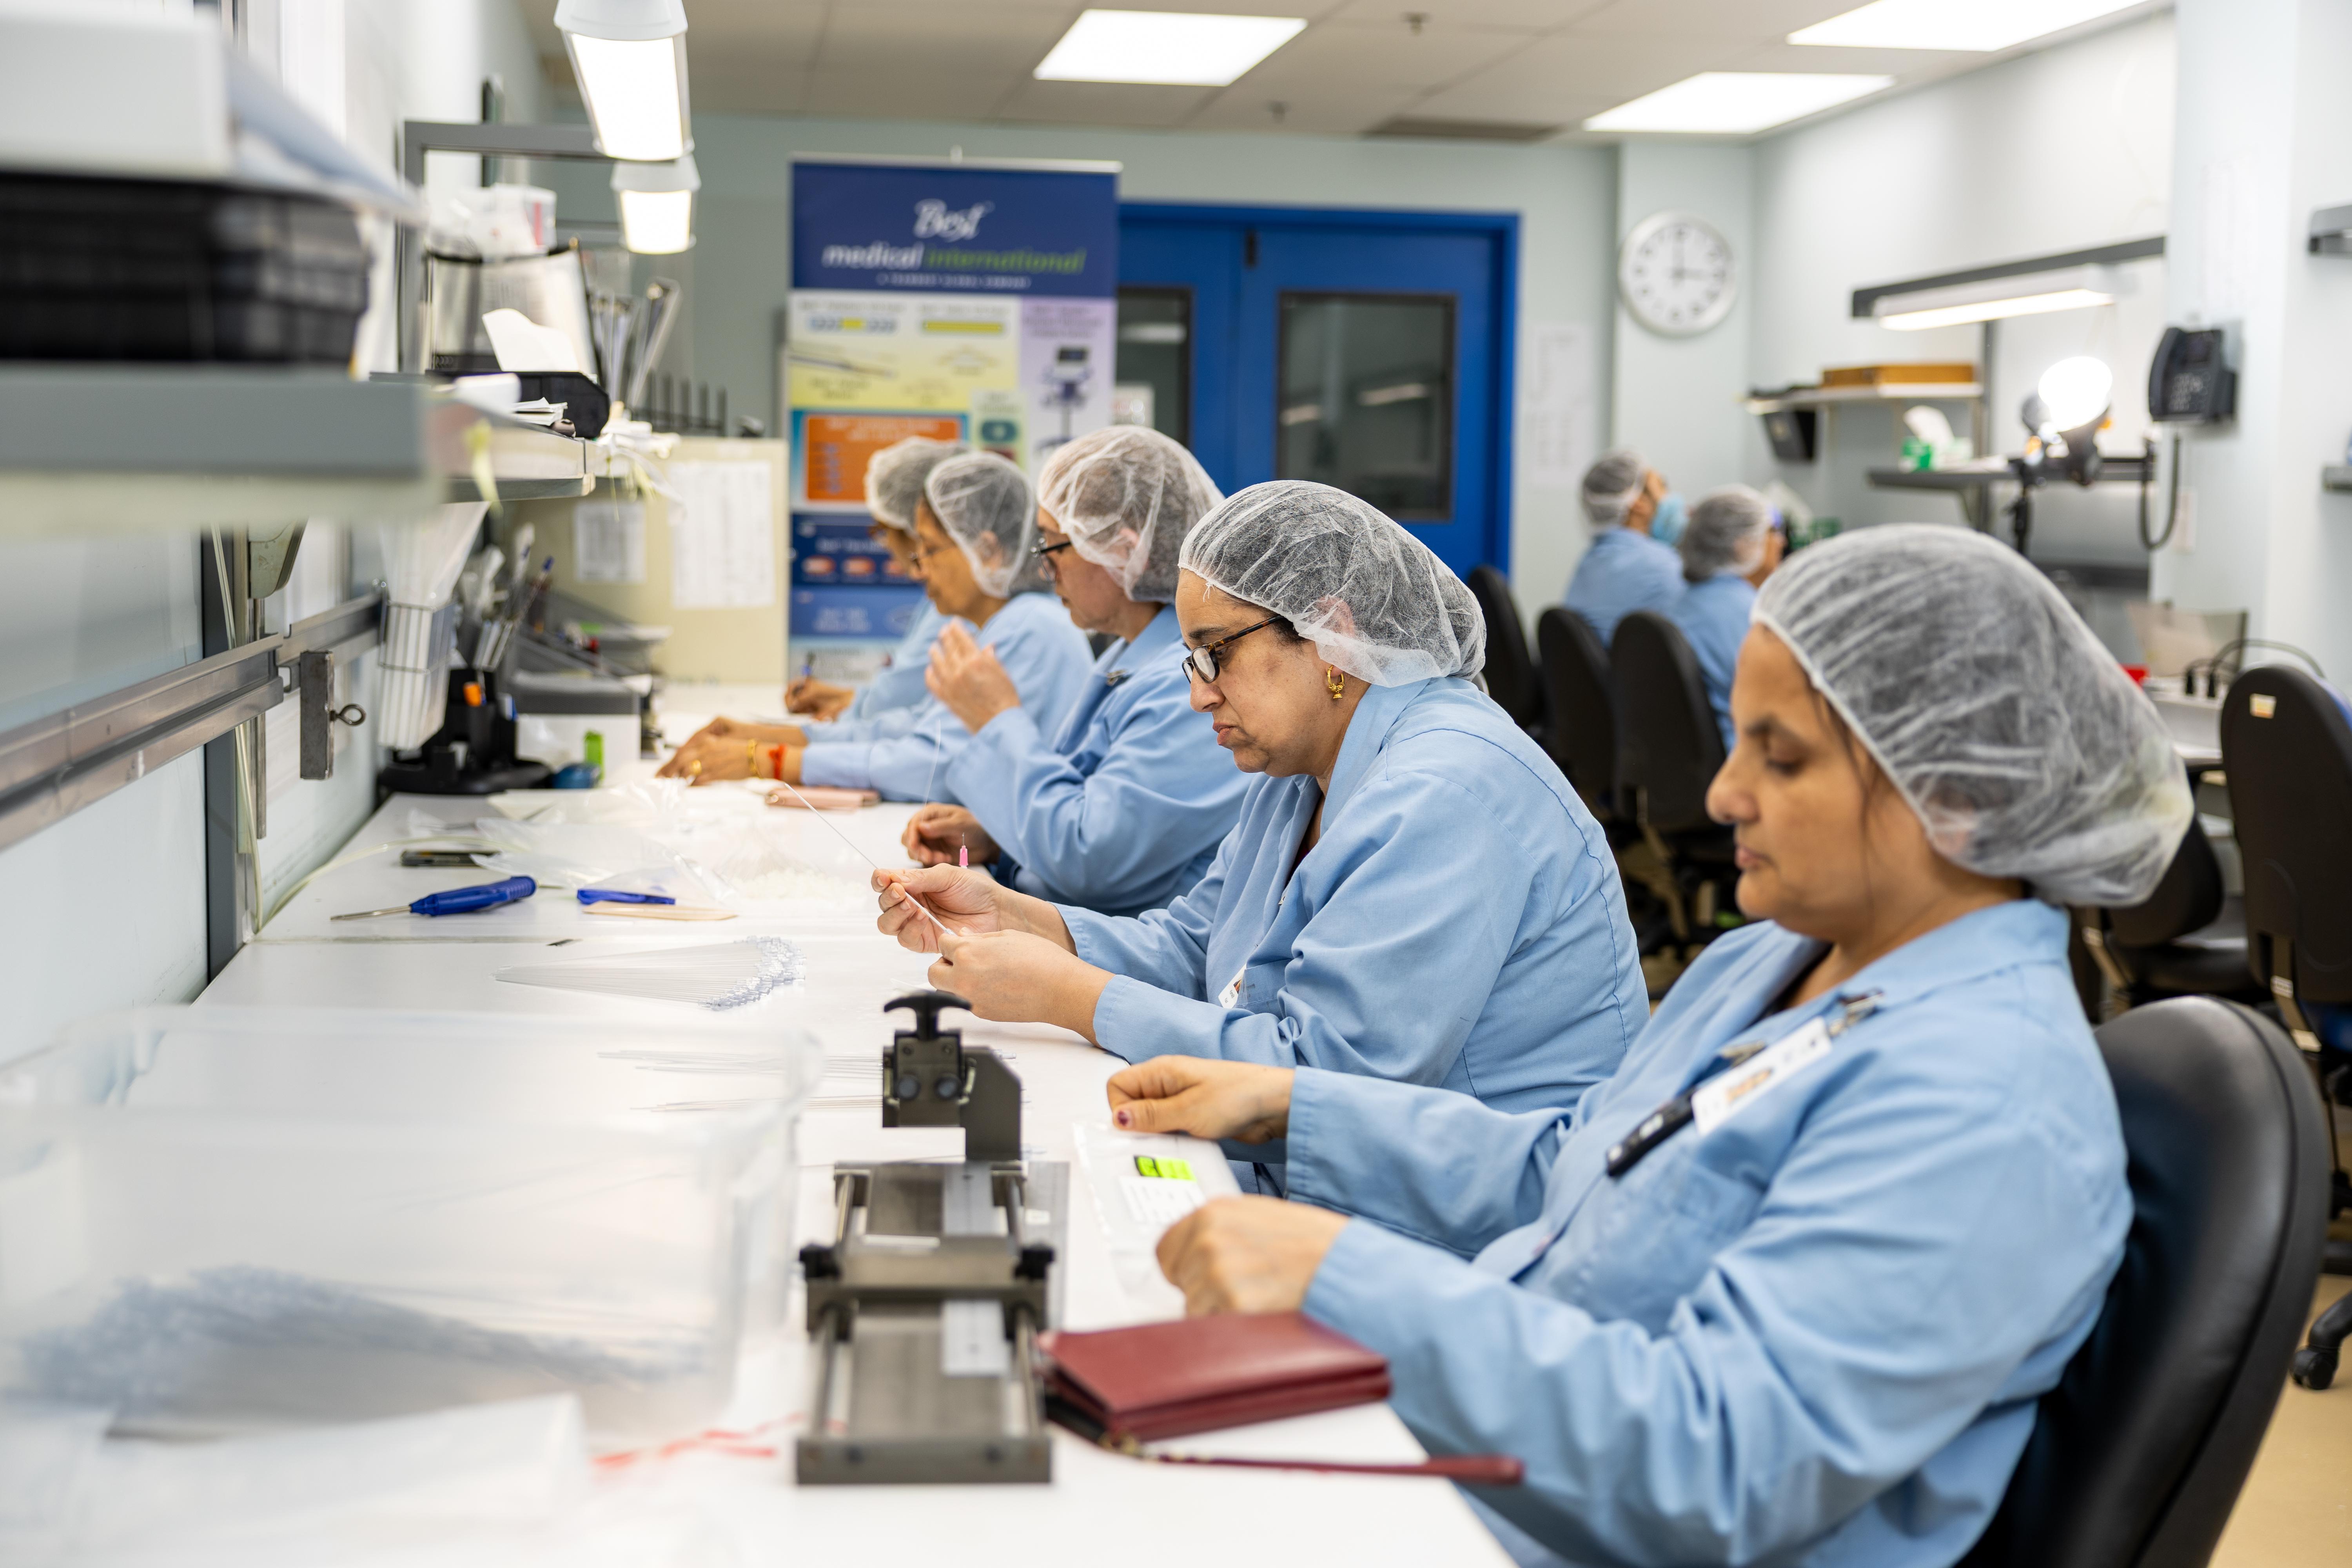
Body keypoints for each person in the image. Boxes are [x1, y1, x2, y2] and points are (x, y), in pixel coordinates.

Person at [1102, 524, 2192, 1568]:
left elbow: (1719, 1463)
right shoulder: (1771, 961)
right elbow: (1577, 1163)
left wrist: (1347, 1280)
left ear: (1951, 792)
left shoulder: (1983, 1099)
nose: (1722, 794)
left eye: (1783, 757)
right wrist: (1289, 1104)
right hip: (1511, 1460)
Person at [874, 481, 1648, 1183]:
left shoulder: (1446, 792)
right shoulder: (1302, 767)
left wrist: (1073, 995)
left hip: (1467, 1223)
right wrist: (1014, 917)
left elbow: (1323, 1079)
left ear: (1330, 633)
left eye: (1215, 655)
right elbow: (1195, 948)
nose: (1197, 696)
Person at [900, 426, 1249, 916]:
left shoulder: (1190, 679)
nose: (1047, 571)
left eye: (1053, 547)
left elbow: (1090, 858)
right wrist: (1003, 840)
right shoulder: (1127, 656)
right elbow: (1083, 797)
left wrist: (998, 718)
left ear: (1124, 551)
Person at [658, 452, 1091, 795]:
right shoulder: (1004, 624)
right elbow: (909, 729)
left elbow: (929, 766)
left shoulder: (1030, 628)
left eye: (931, 550)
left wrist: (767, 759)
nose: (918, 570)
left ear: (989, 551)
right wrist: (765, 736)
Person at [783, 436, 962, 724]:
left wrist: (770, 752)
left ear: (913, 529)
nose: (886, 545)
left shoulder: (958, 608)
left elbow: (895, 710)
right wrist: (839, 698)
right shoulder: (941, 602)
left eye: (884, 531)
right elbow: (900, 703)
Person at [1668, 484, 1785, 753]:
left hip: (1686, 765)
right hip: (1746, 762)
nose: (1782, 541)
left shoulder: (1680, 604)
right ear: (1743, 546)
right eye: (1772, 531)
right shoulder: (1750, 617)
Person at [1562, 449, 1684, 646]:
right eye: (1662, 485)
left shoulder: (1590, 562)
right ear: (1639, 503)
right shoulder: (1665, 566)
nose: (1669, 496)